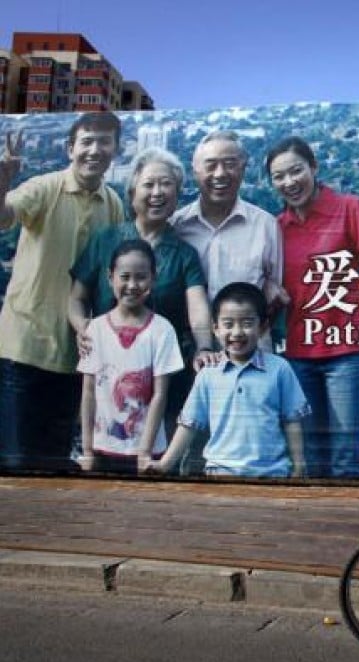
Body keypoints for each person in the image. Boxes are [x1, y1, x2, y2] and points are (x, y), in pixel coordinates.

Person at [68, 147, 215, 469]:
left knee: (153, 467)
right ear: (133, 189)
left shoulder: (184, 253)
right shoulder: (106, 240)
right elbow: (77, 297)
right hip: (108, 378)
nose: (157, 193)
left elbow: (197, 305)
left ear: (177, 194)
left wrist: (204, 346)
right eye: (149, 184)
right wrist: (83, 328)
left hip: (163, 380)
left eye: (167, 185)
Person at [0, 112, 125, 472]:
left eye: (104, 141)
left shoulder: (113, 204)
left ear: (115, 150)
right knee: (15, 460)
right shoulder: (45, 187)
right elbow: (5, 216)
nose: (94, 149)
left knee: (52, 462)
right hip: (24, 348)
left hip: (75, 357)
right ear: (71, 148)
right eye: (86, 141)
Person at [265, 136, 359, 479]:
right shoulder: (276, 228)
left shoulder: (349, 207)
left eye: (296, 171)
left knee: (344, 461)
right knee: (309, 458)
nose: (289, 182)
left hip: (346, 355)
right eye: (279, 176)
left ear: (314, 168)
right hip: (296, 357)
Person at [153, 282, 309, 478]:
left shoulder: (279, 369)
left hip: (272, 474)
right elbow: (189, 424)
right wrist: (165, 464)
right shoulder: (208, 374)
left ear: (262, 327)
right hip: (220, 473)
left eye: (247, 323)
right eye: (228, 324)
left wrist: (298, 464)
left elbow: (292, 421)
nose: (237, 332)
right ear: (215, 328)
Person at [170, 130, 285, 347]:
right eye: (210, 165)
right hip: (191, 355)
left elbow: (275, 297)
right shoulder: (177, 226)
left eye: (230, 163)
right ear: (195, 170)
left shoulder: (265, 226)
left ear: (243, 169)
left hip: (252, 354)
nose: (220, 173)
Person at [78, 240, 184, 475]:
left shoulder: (162, 329)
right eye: (124, 276)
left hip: (146, 452)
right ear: (110, 277)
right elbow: (88, 391)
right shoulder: (95, 329)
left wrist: (145, 452)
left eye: (141, 277)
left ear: (153, 279)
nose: (132, 285)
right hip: (101, 449)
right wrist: (87, 449)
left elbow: (160, 394)